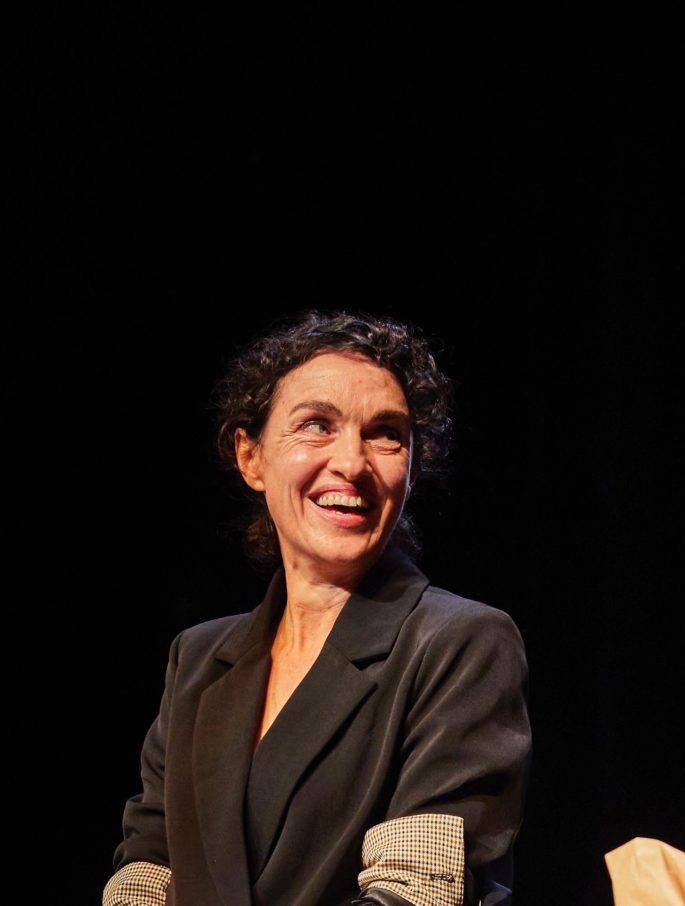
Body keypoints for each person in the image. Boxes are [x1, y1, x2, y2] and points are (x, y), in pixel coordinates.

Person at [104, 312, 532, 906]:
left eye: (387, 433)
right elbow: (146, 872)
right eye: (316, 426)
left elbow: (415, 894)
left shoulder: (460, 643)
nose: (353, 464)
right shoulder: (197, 659)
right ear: (250, 457)